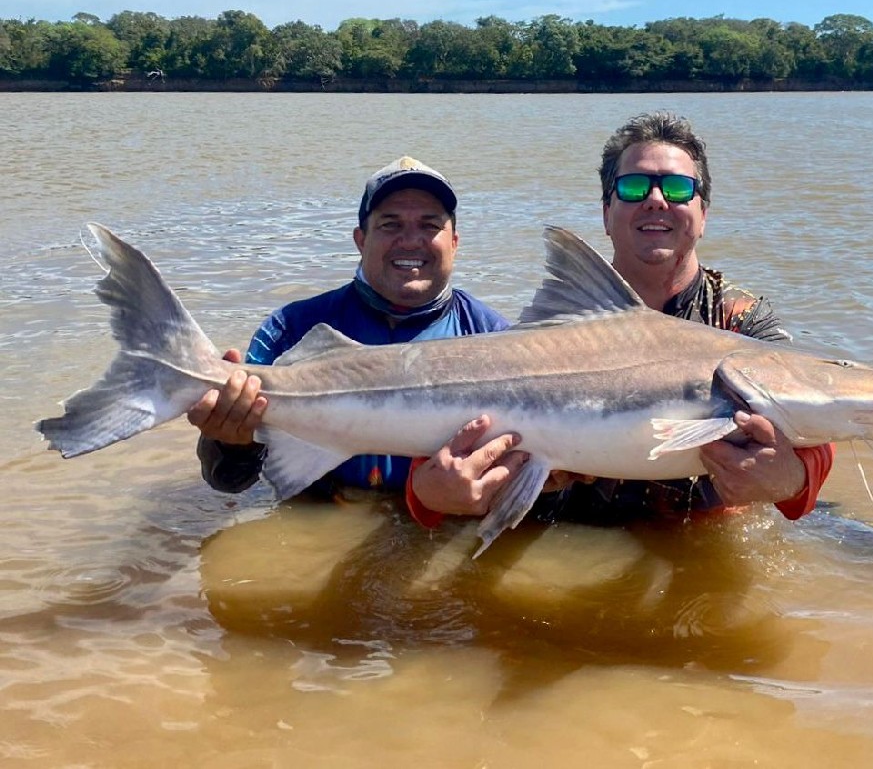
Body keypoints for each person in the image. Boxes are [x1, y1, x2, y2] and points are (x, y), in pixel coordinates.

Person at [407, 111, 834, 529]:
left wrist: (793, 480)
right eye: (632, 187)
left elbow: (814, 416)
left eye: (677, 187)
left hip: (694, 538)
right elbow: (447, 433)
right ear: (606, 214)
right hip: (568, 530)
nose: (655, 199)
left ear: (704, 214)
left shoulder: (740, 322)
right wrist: (426, 496)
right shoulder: (556, 330)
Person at [189, 155, 528, 520]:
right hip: (313, 522)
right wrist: (230, 443)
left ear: (455, 242)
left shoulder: (495, 338)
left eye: (430, 225)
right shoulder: (292, 328)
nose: (411, 240)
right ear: (360, 239)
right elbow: (228, 482)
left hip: (439, 531)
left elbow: (528, 476)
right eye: (390, 224)